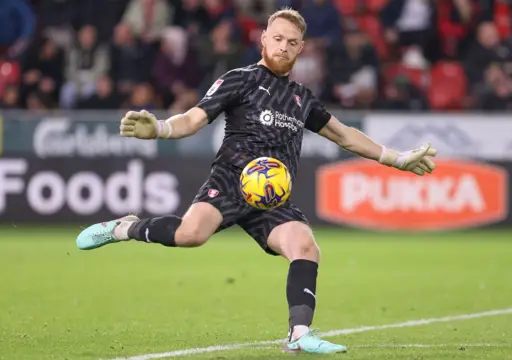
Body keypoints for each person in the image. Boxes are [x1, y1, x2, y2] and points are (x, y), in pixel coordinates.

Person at [75, 8, 437, 354]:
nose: (283, 46)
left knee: (306, 247)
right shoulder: (240, 79)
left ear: (300, 48)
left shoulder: (302, 99)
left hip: (272, 197)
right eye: (277, 38)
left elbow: (345, 136)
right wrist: (161, 128)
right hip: (231, 180)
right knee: (190, 235)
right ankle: (125, 227)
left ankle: (299, 335)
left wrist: (397, 158)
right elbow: (194, 119)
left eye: (291, 42)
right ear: (263, 38)